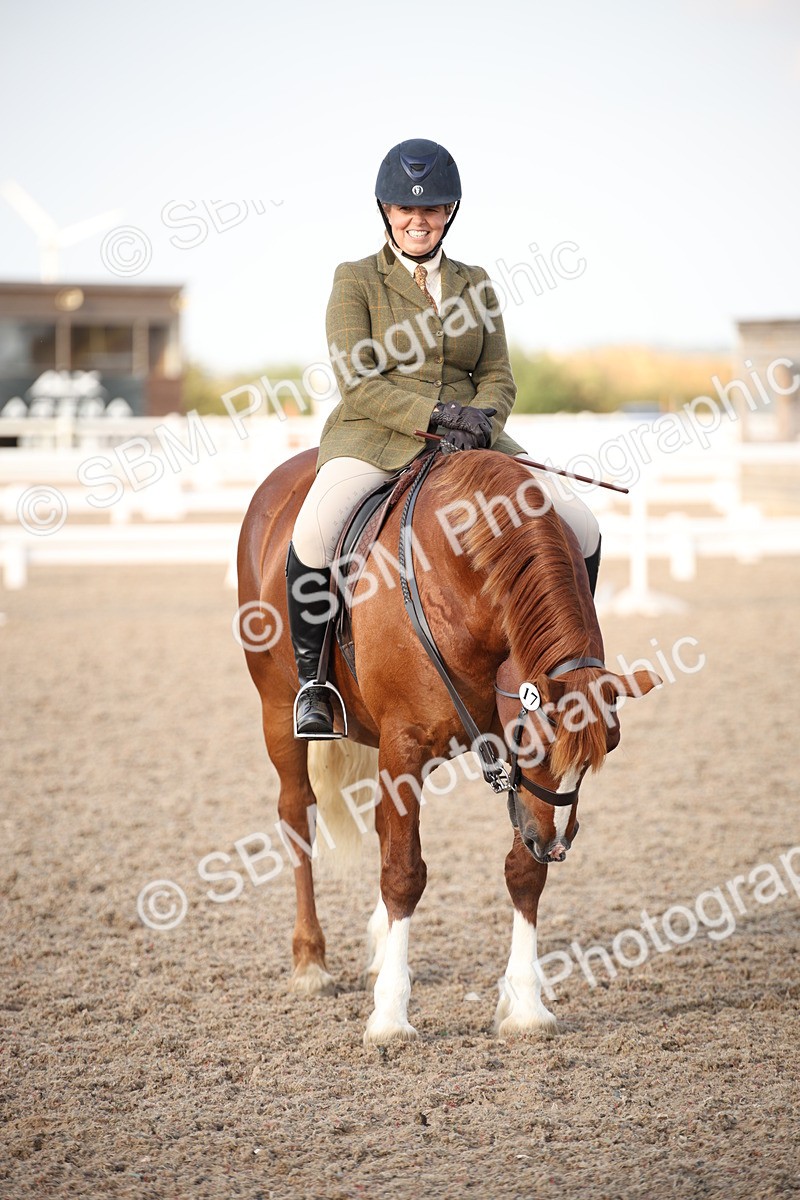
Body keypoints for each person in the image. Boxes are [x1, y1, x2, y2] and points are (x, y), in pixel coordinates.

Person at [286, 138, 601, 739]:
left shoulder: (476, 283)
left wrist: (481, 419)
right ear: (385, 211)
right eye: (405, 209)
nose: (417, 220)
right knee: (315, 529)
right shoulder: (355, 281)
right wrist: (435, 416)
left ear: (450, 212)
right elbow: (358, 381)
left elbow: (498, 375)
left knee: (581, 524)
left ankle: (567, 659)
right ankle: (314, 684)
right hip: (378, 437)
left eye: (431, 209)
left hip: (475, 441)